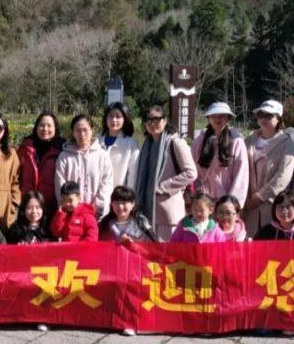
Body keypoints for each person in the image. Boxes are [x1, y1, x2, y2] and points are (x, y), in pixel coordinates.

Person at [132, 105, 197, 240]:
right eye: (148, 120)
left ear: (165, 120)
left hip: (168, 212)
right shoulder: (147, 145)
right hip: (148, 210)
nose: (152, 123)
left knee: (168, 251)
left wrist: (163, 187)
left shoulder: (175, 143)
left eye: (156, 119)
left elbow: (191, 173)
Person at [243, 100, 294, 233]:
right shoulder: (248, 140)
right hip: (247, 203)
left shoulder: (286, 143)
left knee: (270, 239)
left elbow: (283, 176)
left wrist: (260, 196)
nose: (263, 119)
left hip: (272, 204)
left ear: (278, 118)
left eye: (269, 115)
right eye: (260, 115)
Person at [54, 115, 113, 217]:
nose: (82, 134)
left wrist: (96, 207)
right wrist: (68, 207)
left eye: (85, 130)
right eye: (78, 130)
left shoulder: (102, 156)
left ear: (92, 130)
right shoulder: (64, 156)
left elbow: (107, 184)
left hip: (96, 215)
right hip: (71, 214)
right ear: (72, 132)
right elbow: (60, 184)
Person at [192, 102, 249, 206]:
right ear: (208, 118)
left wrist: (232, 202)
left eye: (222, 116)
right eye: (213, 116)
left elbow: (241, 174)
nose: (217, 119)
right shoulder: (199, 141)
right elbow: (193, 170)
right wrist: (195, 193)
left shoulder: (236, 141)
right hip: (203, 201)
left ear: (228, 118)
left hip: (226, 202)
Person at [18, 111, 64, 213]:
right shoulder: (25, 148)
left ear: (55, 128)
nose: (45, 129)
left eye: (49, 126)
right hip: (28, 206)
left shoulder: (61, 150)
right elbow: (17, 176)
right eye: (41, 125)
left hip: (51, 207)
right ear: (36, 127)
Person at [102, 102, 141, 189]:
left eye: (118, 116)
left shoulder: (131, 144)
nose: (114, 120)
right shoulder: (96, 140)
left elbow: (133, 175)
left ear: (125, 119)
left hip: (118, 193)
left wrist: (128, 194)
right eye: (110, 116)